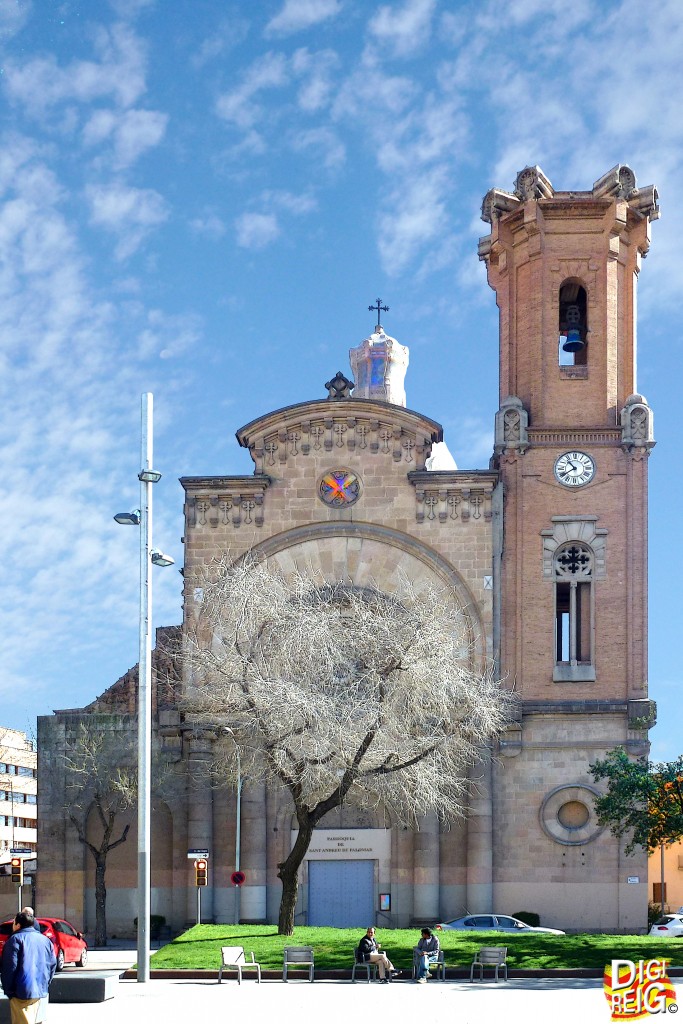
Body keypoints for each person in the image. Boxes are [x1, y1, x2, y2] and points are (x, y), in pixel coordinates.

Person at [1, 910, 56, 1024]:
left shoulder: (14, 940)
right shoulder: (45, 940)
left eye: (13, 923)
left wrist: (9, 990)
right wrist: (45, 983)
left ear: (18, 925)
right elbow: (52, 965)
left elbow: (10, 967)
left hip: (20, 992)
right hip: (39, 990)